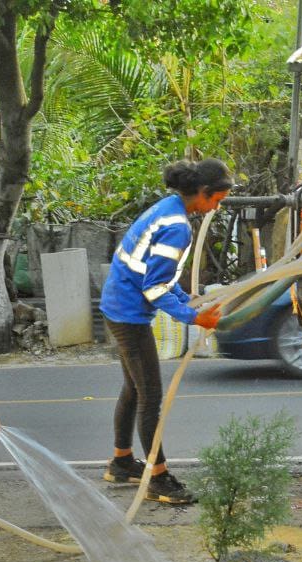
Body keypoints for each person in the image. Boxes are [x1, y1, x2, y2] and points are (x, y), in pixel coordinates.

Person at [99, 158, 231, 504]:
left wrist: (185, 299)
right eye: (216, 200)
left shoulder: (168, 208)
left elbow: (156, 275)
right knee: (150, 398)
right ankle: (158, 479)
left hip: (118, 303)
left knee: (133, 388)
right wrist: (193, 318)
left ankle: (122, 461)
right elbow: (153, 287)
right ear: (202, 193)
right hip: (129, 315)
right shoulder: (178, 228)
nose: (215, 207)